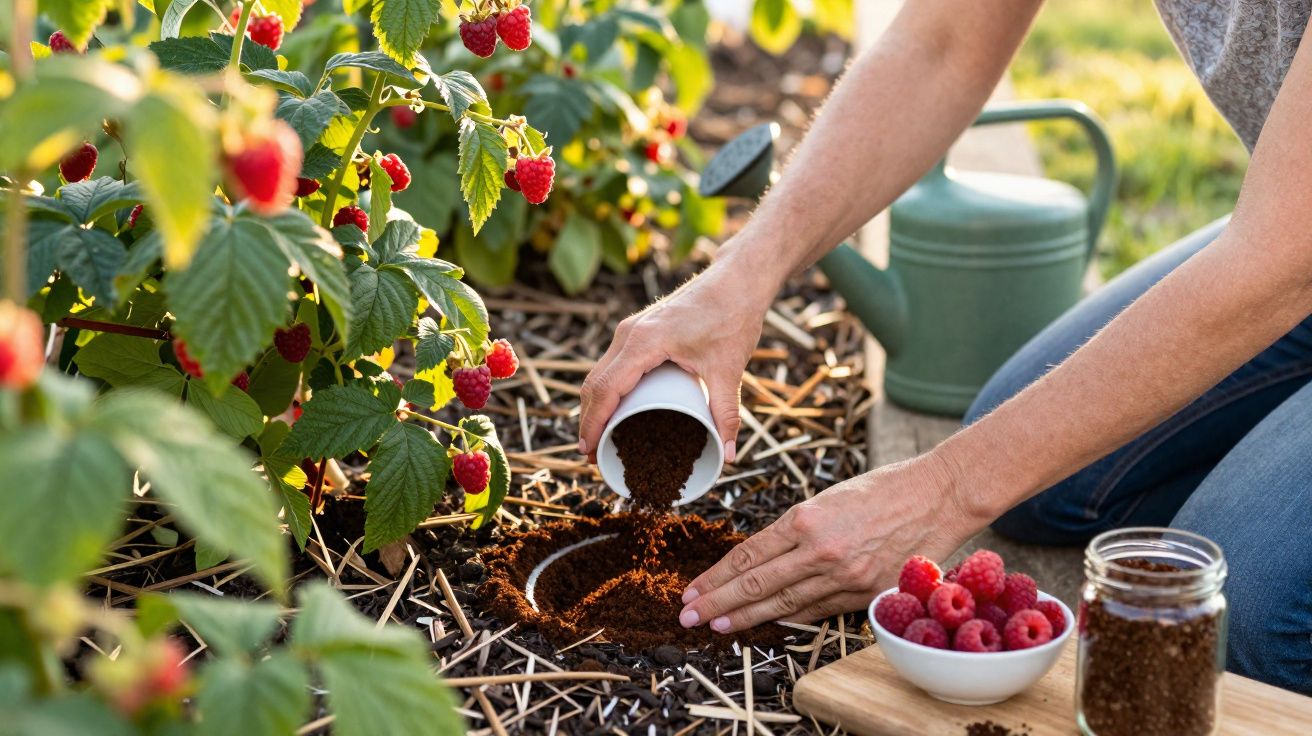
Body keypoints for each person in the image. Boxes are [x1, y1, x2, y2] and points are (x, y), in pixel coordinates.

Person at [577, 0, 1312, 692]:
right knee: (1042, 484)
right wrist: (738, 278)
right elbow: (942, 43)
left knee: (1245, 616)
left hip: (1288, 247)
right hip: (1289, 220)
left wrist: (944, 490)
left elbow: (1282, 259)